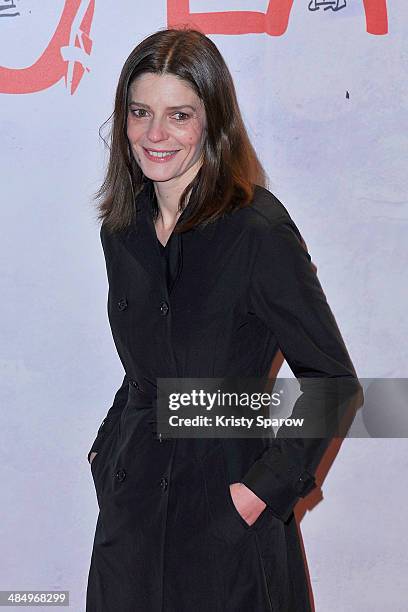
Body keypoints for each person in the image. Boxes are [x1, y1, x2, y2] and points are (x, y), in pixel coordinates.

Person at [85, 27, 361, 612]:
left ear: (212, 122)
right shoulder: (123, 227)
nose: (154, 135)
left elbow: (332, 383)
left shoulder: (257, 231)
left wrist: (259, 492)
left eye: (178, 115)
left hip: (224, 511)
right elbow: (147, 368)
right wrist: (108, 452)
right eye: (140, 113)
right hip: (132, 513)